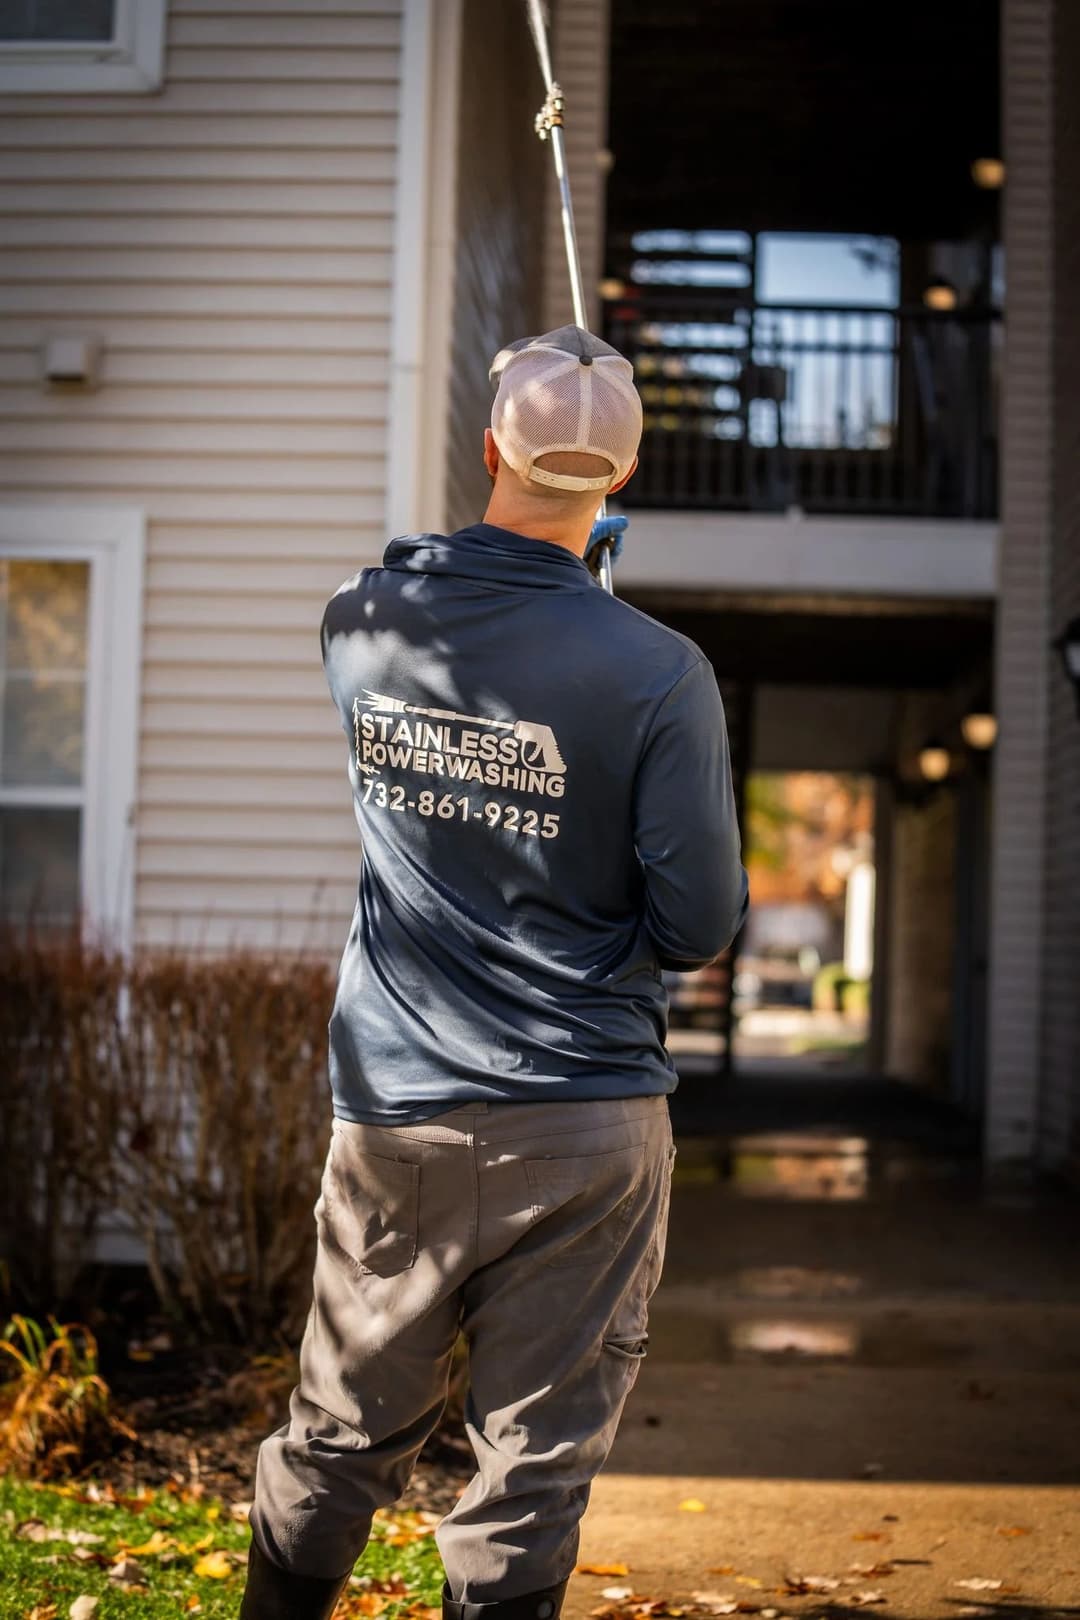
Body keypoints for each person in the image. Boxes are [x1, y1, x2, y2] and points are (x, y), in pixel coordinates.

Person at [240, 325, 748, 1620]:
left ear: (487, 449)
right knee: (531, 1466)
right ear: (617, 483)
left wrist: (564, 591)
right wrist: (597, 603)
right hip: (583, 1121)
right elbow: (698, 923)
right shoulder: (659, 672)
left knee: (340, 1430)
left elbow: (454, 621)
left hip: (397, 1110)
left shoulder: (358, 622)